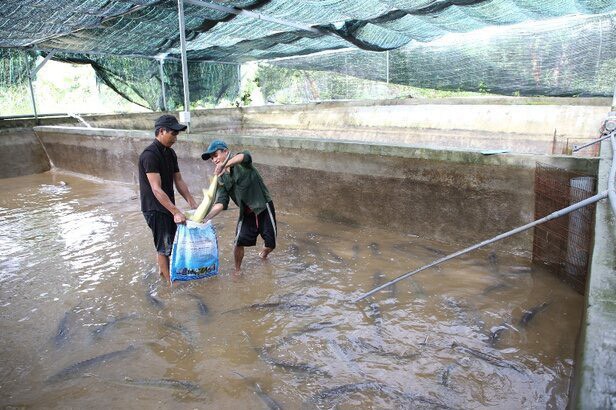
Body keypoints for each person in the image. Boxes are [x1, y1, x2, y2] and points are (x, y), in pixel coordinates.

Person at [201, 140, 276, 274]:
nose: (214, 159)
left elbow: (244, 156)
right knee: (238, 242)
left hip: (262, 206)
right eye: (212, 158)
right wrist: (206, 218)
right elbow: (221, 203)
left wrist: (225, 165)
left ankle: (263, 254)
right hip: (246, 212)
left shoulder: (241, 162)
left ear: (225, 151)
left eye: (216, 155)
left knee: (271, 243)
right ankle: (237, 271)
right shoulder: (221, 178)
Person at [139, 114, 198, 283]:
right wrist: (176, 211)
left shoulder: (170, 153)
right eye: (173, 133)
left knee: (170, 243)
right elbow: (156, 189)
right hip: (154, 208)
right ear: (161, 131)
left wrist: (192, 203)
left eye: (177, 134)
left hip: (166, 206)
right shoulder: (149, 155)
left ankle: (162, 272)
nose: (175, 138)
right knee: (164, 246)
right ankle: (168, 285)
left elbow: (178, 180)